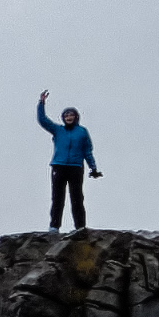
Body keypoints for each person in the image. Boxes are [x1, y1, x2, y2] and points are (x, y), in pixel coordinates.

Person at [34, 92, 99, 232]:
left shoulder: (82, 132)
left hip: (76, 167)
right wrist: (41, 103)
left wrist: (93, 167)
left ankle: (80, 227)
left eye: (71, 115)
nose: (69, 117)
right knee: (57, 198)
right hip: (59, 166)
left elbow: (87, 150)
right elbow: (43, 120)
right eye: (66, 115)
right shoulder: (58, 130)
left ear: (76, 117)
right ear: (63, 118)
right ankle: (54, 227)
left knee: (77, 198)